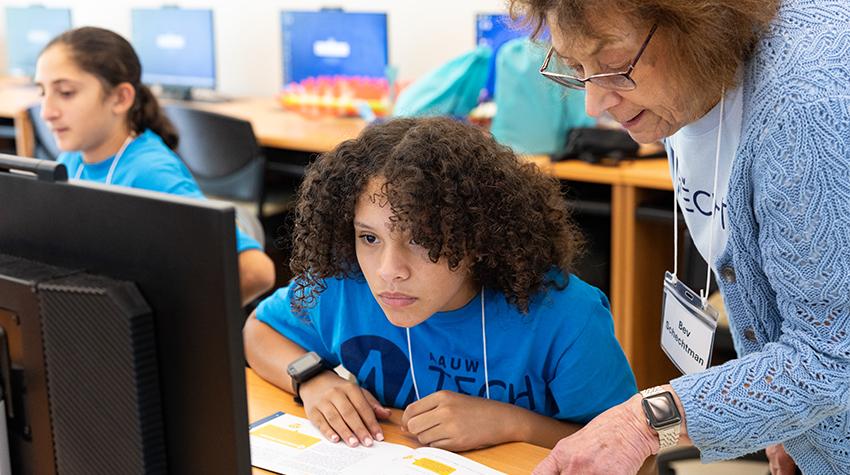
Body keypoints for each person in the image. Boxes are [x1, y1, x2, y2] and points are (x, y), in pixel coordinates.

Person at [509, 0, 850, 473]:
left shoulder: (810, 106)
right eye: (576, 67)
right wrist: (785, 421)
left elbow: (833, 357)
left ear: (700, 22)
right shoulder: (682, 86)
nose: (595, 103)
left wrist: (643, 423)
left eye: (611, 65)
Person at [244, 117, 637, 451]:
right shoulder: (345, 285)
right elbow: (258, 330)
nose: (388, 270)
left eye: (420, 239)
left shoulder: (567, 316)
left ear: (478, 237)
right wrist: (311, 378)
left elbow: (633, 450)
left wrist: (514, 426)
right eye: (369, 238)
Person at [35, 27, 275, 306]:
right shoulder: (72, 160)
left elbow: (256, 272)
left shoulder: (150, 173)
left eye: (65, 93)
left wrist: (177, 331)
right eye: (42, 92)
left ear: (121, 98)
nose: (46, 112)